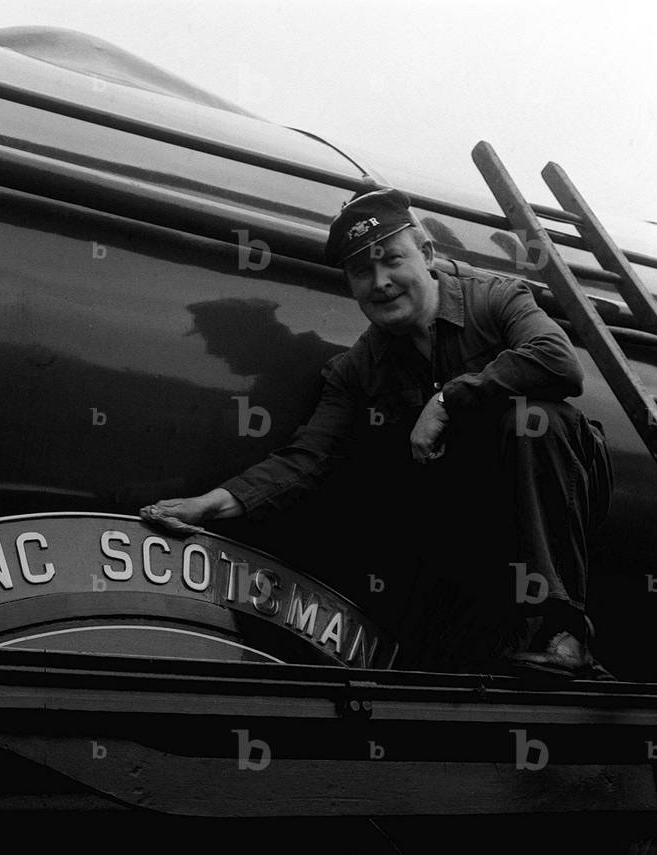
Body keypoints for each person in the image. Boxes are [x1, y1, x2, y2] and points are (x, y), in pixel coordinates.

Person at [140, 187, 613, 674]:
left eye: (391, 261)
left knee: (533, 421)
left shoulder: (494, 297)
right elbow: (309, 455)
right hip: (477, 511)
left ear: (427, 255)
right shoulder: (360, 365)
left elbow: (559, 362)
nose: (380, 282)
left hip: (568, 485)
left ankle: (564, 630)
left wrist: (448, 399)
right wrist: (213, 503)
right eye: (362, 272)